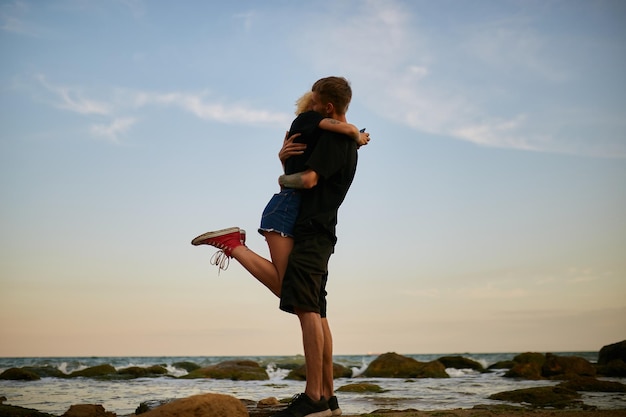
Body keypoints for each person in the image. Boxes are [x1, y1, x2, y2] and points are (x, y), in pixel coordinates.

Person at [192, 76, 362, 417]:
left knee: (304, 306)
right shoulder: (335, 137)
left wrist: (282, 175)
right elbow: (309, 171)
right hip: (317, 228)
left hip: (311, 228)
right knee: (311, 306)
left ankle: (316, 399)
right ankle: (327, 398)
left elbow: (309, 180)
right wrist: (285, 160)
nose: (311, 108)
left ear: (327, 108)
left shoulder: (330, 135)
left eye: (315, 103)